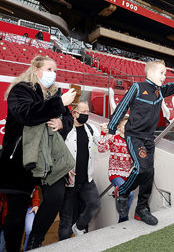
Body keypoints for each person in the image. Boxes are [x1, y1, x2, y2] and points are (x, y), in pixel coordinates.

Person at [108, 60, 174, 225]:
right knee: (141, 168)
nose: (164, 76)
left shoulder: (160, 91)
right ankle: (123, 190)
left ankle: (141, 209)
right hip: (134, 136)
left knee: (149, 173)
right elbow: (122, 106)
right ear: (150, 73)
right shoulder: (137, 87)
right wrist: (112, 128)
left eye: (165, 73)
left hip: (149, 138)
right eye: (161, 73)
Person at [0, 55, 76, 251]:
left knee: (56, 197)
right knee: (16, 214)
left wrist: (62, 123)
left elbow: (68, 121)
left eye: (55, 71)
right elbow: (27, 114)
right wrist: (59, 103)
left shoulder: (53, 96)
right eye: (49, 69)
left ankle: (35, 240)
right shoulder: (21, 90)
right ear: (35, 69)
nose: (53, 74)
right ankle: (12, 248)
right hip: (20, 161)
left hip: (49, 160)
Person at [58, 101, 101, 240]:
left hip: (86, 180)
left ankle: (80, 227)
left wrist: (107, 134)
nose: (86, 114)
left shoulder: (91, 129)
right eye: (84, 112)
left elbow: (100, 147)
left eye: (88, 111)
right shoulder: (64, 130)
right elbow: (56, 152)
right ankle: (62, 245)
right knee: (66, 221)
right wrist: (63, 168)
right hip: (68, 183)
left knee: (94, 203)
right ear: (74, 113)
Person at [98, 117, 134, 223]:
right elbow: (101, 149)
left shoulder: (132, 141)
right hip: (115, 173)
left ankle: (121, 221)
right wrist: (103, 133)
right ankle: (124, 219)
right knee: (129, 193)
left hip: (127, 174)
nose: (127, 127)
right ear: (118, 127)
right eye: (124, 125)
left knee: (127, 195)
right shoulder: (114, 138)